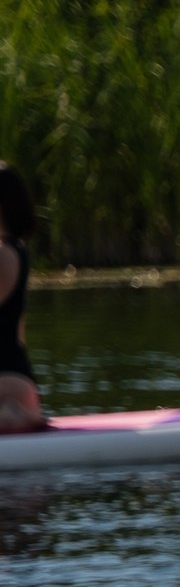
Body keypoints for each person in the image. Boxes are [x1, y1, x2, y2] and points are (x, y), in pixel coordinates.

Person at [0, 164, 44, 434]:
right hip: (16, 383)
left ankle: (19, 417)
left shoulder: (3, 254)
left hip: (7, 385)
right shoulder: (15, 251)